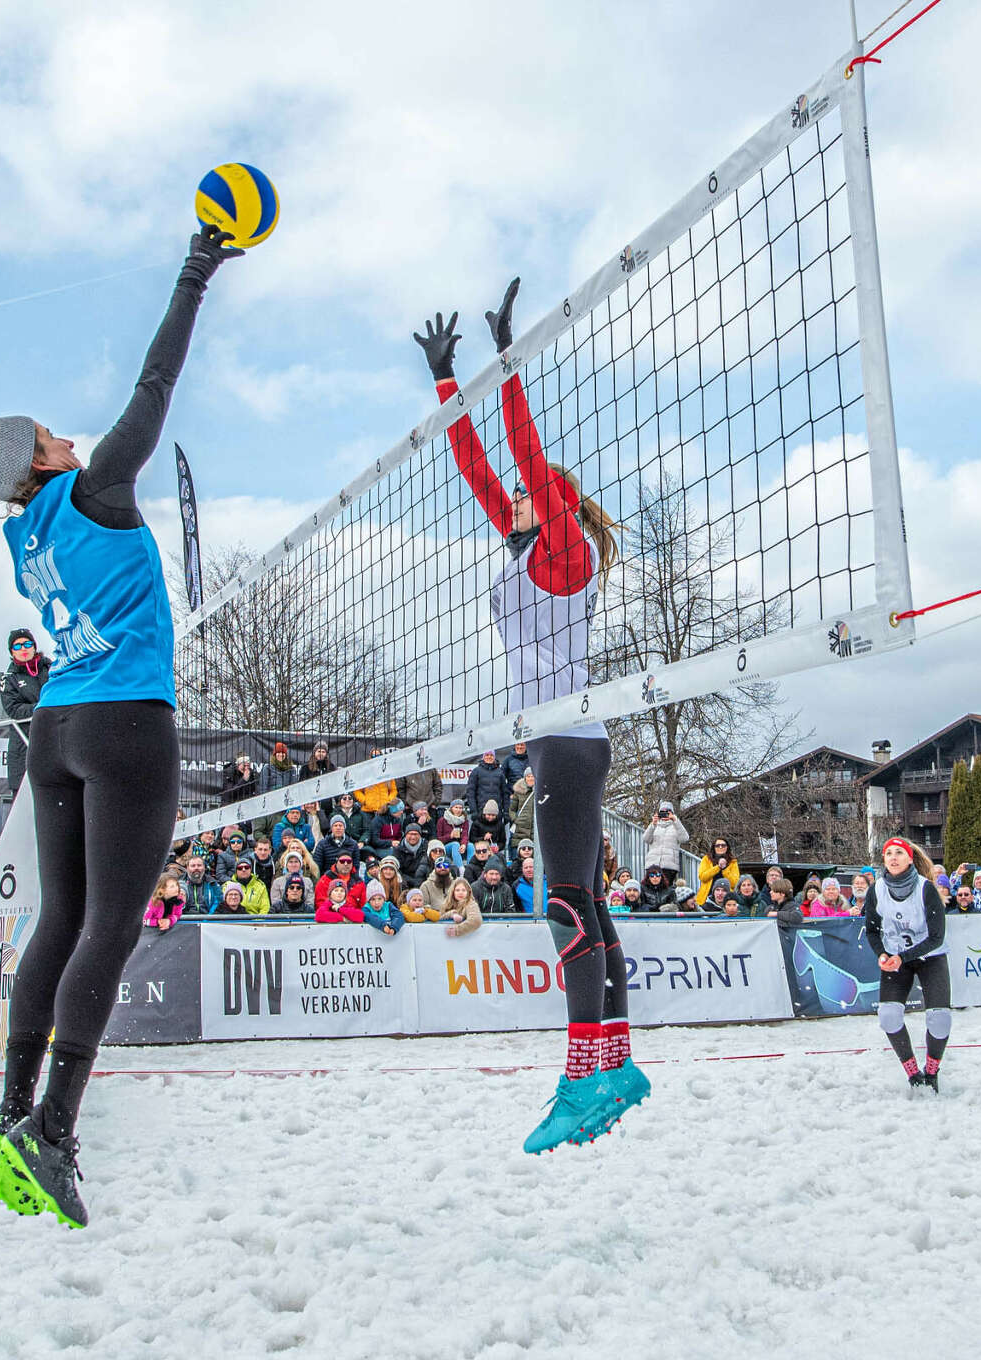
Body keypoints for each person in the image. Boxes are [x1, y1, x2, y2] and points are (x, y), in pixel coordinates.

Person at [0, 225, 241, 1231]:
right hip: (124, 721)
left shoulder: (23, 530)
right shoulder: (93, 492)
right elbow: (157, 381)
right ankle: (54, 1130)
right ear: (42, 458)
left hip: (56, 728)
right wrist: (196, 271)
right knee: (106, 925)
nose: (69, 436)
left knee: (60, 922)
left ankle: (13, 1107)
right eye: (53, 434)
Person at [415, 277, 642, 1153]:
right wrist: (446, 381)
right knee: (589, 908)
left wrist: (508, 358)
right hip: (563, 743)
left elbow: (520, 449)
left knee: (570, 910)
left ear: (552, 501)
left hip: (570, 744)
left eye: (530, 491)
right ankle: (615, 1058)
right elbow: (475, 462)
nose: (508, 495)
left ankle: (584, 1077)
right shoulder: (523, 548)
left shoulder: (563, 548)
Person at [864, 838, 952, 1091]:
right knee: (889, 1017)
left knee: (940, 1019)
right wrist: (881, 954)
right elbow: (871, 930)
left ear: (910, 858)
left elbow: (937, 937)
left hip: (930, 956)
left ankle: (932, 1071)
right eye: (888, 853)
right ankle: (913, 1073)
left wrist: (903, 957)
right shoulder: (877, 889)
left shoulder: (926, 889)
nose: (893, 857)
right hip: (895, 959)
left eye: (899, 853)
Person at [642, 801, 689, 874]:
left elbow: (684, 838)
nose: (664, 814)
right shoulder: (654, 826)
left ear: (672, 813)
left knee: (666, 885)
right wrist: (653, 824)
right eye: (662, 812)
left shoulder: (676, 826)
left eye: (667, 812)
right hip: (653, 864)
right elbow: (646, 839)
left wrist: (675, 820)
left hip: (669, 866)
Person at [692, 838, 740, 907]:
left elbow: (734, 883)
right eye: (717, 845)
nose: (720, 847)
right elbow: (703, 877)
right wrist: (718, 867)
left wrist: (724, 869)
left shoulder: (733, 862)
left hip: (727, 900)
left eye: (723, 845)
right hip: (706, 898)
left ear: (727, 847)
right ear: (714, 847)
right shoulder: (706, 859)